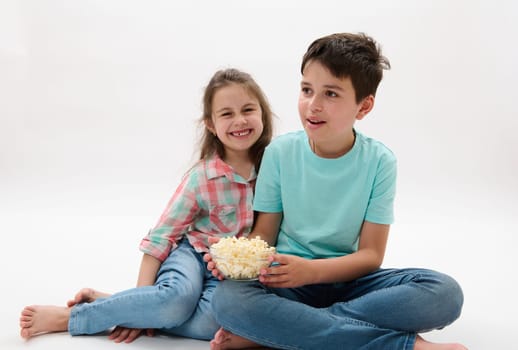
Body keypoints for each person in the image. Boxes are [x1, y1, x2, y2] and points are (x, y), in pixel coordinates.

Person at [206, 33, 466, 350]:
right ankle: (404, 346)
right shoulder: (279, 153)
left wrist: (312, 272)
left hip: (352, 281)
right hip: (287, 279)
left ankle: (285, 329)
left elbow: (371, 255)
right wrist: (229, 255)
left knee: (445, 293)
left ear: (364, 106)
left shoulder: (379, 161)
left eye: (330, 93)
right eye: (306, 90)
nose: (313, 106)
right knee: (229, 300)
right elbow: (264, 235)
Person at [19, 68, 274, 343]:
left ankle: (117, 303)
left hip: (225, 271)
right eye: (227, 114)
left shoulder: (274, 168)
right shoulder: (202, 177)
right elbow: (162, 236)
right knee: (175, 299)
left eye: (248, 110)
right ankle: (73, 317)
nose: (239, 120)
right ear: (211, 125)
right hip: (192, 254)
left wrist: (145, 311)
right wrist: (143, 307)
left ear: (262, 113)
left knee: (213, 322)